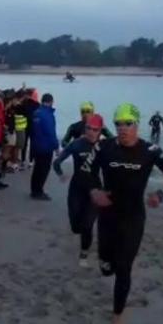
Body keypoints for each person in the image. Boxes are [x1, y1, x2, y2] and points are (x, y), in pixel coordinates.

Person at [82, 102, 163, 324]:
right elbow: (86, 171)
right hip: (107, 216)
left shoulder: (151, 151)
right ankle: (105, 263)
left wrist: (161, 194)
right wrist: (94, 191)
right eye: (118, 124)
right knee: (107, 267)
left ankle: (117, 317)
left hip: (133, 217)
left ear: (137, 125)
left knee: (124, 268)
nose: (123, 128)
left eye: (128, 124)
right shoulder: (104, 147)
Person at [54, 113, 105, 268]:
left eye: (95, 130)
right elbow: (57, 162)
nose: (91, 132)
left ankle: (84, 253)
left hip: (94, 190)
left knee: (87, 225)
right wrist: (61, 175)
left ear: (100, 131)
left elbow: (115, 168)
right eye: (88, 128)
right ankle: (79, 231)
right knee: (76, 226)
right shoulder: (76, 144)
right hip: (76, 188)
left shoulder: (104, 147)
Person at [30, 93, 58, 201]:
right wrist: (56, 146)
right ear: (51, 102)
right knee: (44, 169)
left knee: (37, 168)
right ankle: (39, 191)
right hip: (46, 146)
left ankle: (34, 190)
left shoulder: (36, 113)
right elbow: (50, 132)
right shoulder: (47, 115)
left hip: (36, 145)